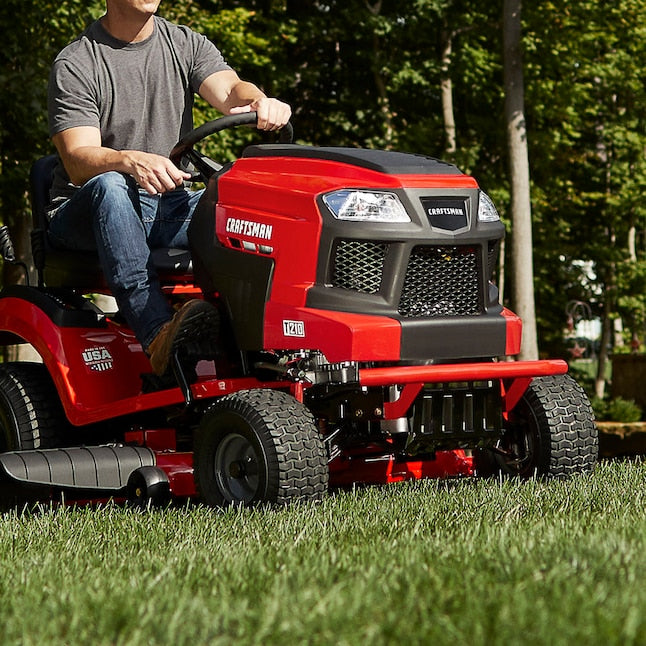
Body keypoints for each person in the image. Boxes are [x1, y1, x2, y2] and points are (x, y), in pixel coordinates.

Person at [46, 0, 291, 376]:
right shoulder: (78, 63)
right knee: (111, 185)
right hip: (87, 210)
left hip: (166, 206)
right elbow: (79, 161)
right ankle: (156, 333)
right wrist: (128, 160)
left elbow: (230, 91)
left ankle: (272, 339)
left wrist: (259, 100)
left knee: (241, 201)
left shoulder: (185, 44)